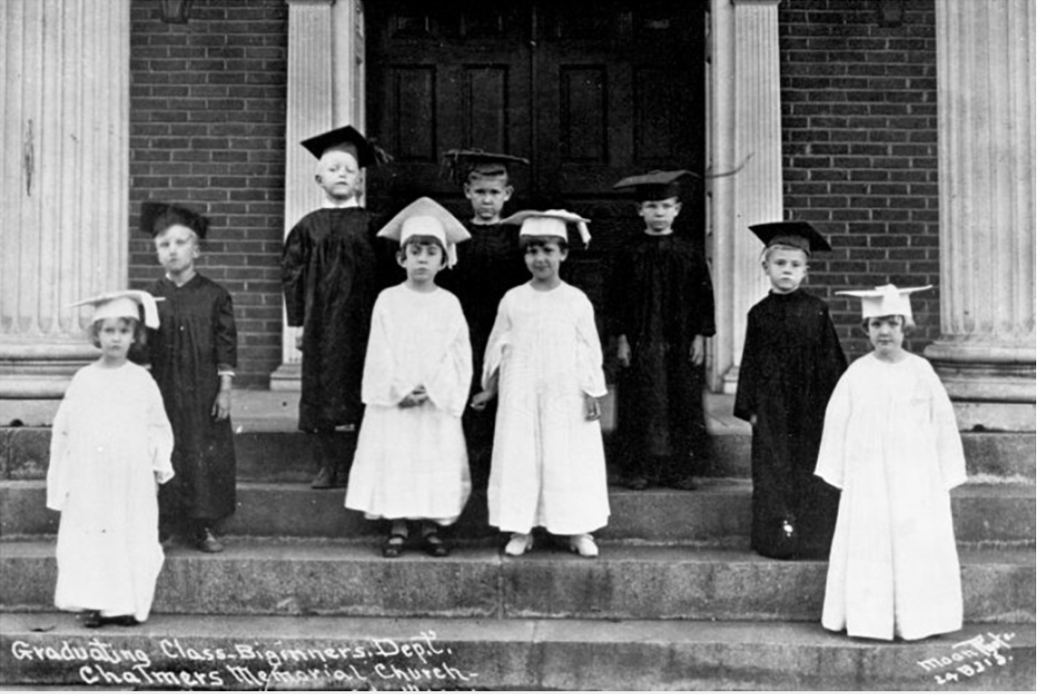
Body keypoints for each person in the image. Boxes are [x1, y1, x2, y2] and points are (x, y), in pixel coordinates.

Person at [815, 284, 965, 641]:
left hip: (915, 478)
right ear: (866, 329)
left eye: (893, 323)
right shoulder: (856, 374)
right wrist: (843, 474)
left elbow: (942, 424)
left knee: (915, 542)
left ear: (905, 327)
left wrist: (942, 476)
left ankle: (918, 620)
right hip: (869, 479)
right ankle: (869, 619)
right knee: (871, 544)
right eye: (877, 324)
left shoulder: (921, 371)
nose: (885, 332)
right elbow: (836, 425)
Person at [472, 210, 609, 558]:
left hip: (565, 392)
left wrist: (592, 389)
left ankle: (577, 527)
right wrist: (490, 386)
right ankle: (521, 526)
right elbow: (497, 346)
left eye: (548, 250)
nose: (540, 258)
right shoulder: (514, 299)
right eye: (532, 251)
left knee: (568, 456)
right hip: (522, 391)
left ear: (563, 253)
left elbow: (589, 347)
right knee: (521, 454)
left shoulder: (576, 299)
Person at [345, 197, 473, 558]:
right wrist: (399, 388)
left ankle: (431, 525)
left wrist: (434, 387)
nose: (421, 259)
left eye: (430, 252)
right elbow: (380, 350)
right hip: (397, 398)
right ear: (401, 258)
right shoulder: (388, 300)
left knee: (432, 457)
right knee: (399, 456)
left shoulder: (448, 303)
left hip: (435, 397)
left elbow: (458, 353)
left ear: (443, 260)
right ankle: (398, 524)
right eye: (414, 251)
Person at [49, 290, 174, 627]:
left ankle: (126, 604)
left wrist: (156, 467)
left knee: (130, 533)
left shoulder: (141, 379)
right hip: (92, 475)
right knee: (93, 534)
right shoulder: (84, 379)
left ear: (134, 336)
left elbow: (157, 426)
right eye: (108, 330)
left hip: (129, 474)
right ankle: (92, 602)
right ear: (96, 335)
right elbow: (65, 431)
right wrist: (66, 477)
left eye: (123, 330)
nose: (116, 337)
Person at [281, 125, 393, 489]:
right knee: (320, 392)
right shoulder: (306, 228)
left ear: (360, 180)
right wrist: (297, 323)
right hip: (322, 324)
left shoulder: (373, 225)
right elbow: (292, 275)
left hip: (364, 323)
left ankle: (362, 463)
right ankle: (327, 464)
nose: (342, 175)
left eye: (349, 169)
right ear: (318, 177)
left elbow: (389, 276)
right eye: (334, 168)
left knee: (364, 387)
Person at [733, 221, 847, 559]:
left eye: (795, 265)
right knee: (773, 468)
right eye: (780, 263)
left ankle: (813, 539)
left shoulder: (816, 310)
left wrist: (835, 406)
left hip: (811, 406)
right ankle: (774, 539)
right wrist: (750, 406)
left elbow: (831, 361)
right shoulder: (759, 314)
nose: (787, 270)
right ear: (766, 266)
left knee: (811, 466)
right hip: (771, 408)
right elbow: (750, 362)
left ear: (806, 271)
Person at [608, 170, 716, 490]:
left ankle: (679, 469)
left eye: (666, 206)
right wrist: (622, 339)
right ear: (639, 210)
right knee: (640, 398)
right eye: (652, 206)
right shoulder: (628, 250)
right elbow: (616, 297)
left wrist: (701, 336)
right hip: (641, 337)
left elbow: (703, 294)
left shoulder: (689, 250)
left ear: (677, 210)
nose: (659, 213)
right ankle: (638, 468)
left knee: (681, 397)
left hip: (680, 337)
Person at [142, 201, 238, 554]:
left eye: (181, 242)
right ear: (157, 253)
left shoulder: (215, 296)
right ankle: (162, 523)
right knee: (163, 449)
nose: (172, 250)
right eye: (164, 245)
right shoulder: (149, 297)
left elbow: (226, 346)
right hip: (162, 389)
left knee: (202, 450)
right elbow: (142, 349)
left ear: (196, 249)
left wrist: (224, 390)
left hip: (202, 389)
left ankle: (202, 525)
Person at [437, 149, 531, 487]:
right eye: (480, 192)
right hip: (467, 330)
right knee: (467, 394)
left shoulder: (517, 238)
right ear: (467, 193)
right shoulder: (455, 239)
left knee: (506, 398)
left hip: (506, 331)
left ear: (507, 195)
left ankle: (502, 475)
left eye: (494, 193)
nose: (487, 200)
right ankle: (467, 474)